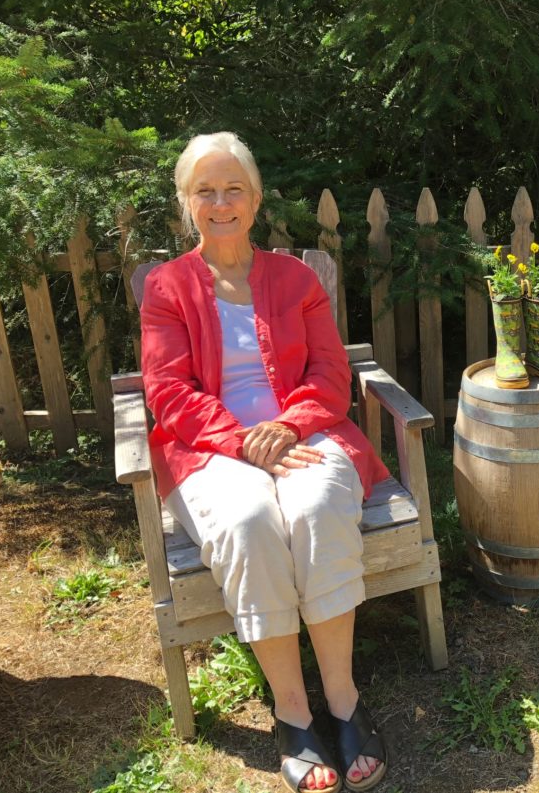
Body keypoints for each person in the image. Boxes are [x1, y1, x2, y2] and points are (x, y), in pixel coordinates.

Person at [141, 132, 389, 793]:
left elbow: (331, 372)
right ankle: (293, 711)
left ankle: (342, 698)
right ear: (186, 203)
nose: (220, 203)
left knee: (316, 503)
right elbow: (166, 391)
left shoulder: (295, 278)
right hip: (208, 448)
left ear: (254, 200)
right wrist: (241, 439)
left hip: (302, 430)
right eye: (205, 191)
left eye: (233, 189)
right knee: (250, 518)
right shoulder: (166, 288)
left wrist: (285, 425)